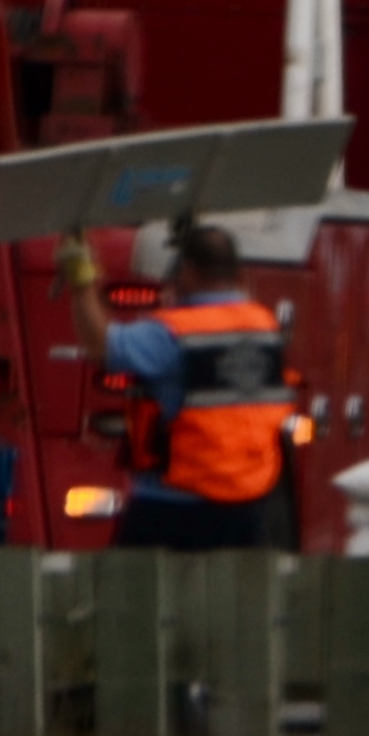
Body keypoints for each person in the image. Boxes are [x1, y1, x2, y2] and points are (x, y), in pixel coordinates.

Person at [103, 222, 297, 550]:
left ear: (188, 270)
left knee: (126, 593)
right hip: (248, 499)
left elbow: (103, 348)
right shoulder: (265, 325)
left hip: (174, 500)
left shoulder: (172, 332)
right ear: (238, 273)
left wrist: (81, 285)